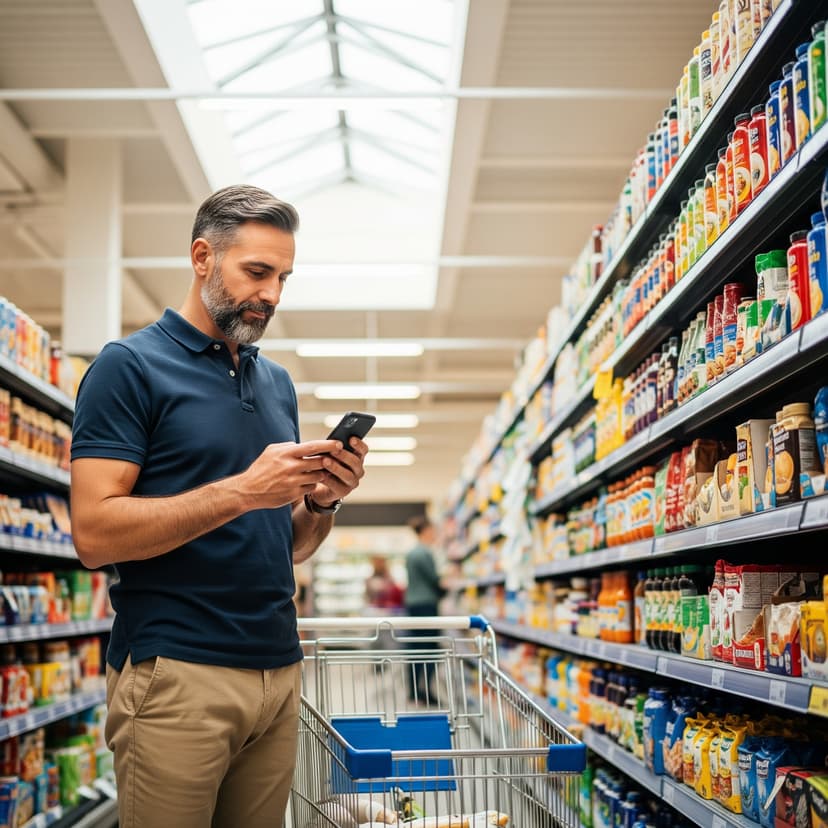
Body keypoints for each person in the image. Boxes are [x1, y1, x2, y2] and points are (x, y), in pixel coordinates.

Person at [69, 184, 368, 828]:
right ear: (203, 257)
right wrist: (243, 490)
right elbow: (93, 533)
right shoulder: (129, 367)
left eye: (284, 277)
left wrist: (322, 502)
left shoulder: (275, 382)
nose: (272, 295)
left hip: (278, 671)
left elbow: (283, 543)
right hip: (179, 674)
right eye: (256, 272)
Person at [403, 515, 444, 701]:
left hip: (413, 605)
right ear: (426, 531)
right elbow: (435, 581)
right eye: (433, 530)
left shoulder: (412, 553)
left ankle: (414, 689)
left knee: (416, 647)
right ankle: (426, 689)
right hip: (427, 605)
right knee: (430, 648)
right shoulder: (425, 553)